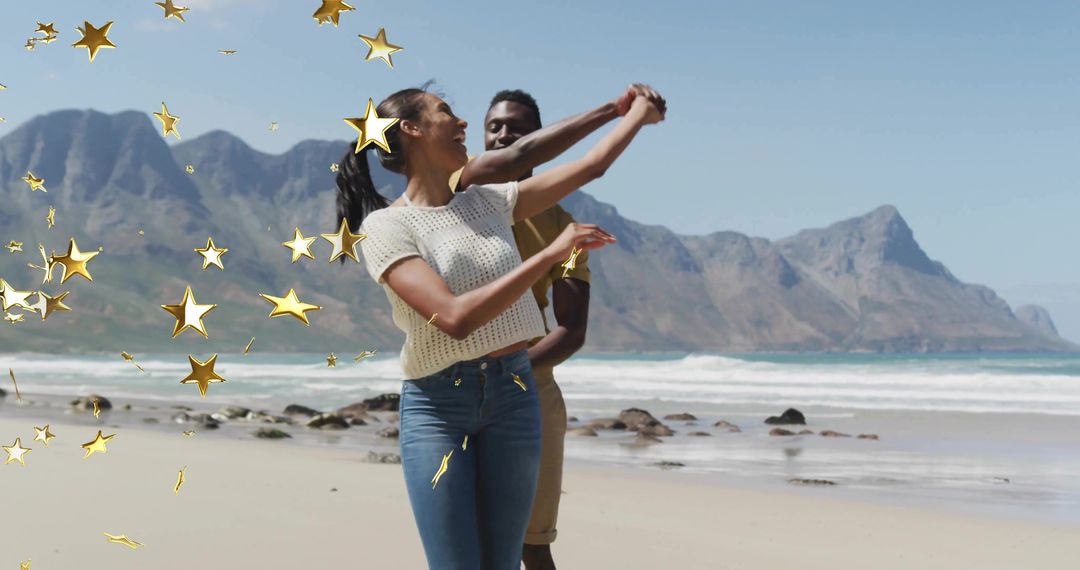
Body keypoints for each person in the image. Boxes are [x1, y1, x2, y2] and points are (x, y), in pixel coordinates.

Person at [338, 84, 664, 569]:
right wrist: (550, 255)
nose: (462, 122)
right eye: (445, 112)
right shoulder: (385, 228)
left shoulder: (489, 202)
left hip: (514, 393)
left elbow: (591, 166)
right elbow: (454, 318)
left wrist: (633, 114)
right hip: (439, 405)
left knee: (506, 562)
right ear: (412, 129)